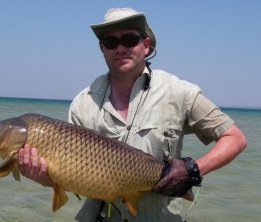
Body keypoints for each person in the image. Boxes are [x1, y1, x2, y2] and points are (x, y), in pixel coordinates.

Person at [18, 8, 247, 222]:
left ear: (145, 45)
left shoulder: (180, 92)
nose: (120, 48)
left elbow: (234, 138)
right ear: (102, 49)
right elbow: (72, 177)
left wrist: (192, 170)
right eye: (111, 41)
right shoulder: (82, 103)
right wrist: (42, 177)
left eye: (129, 40)